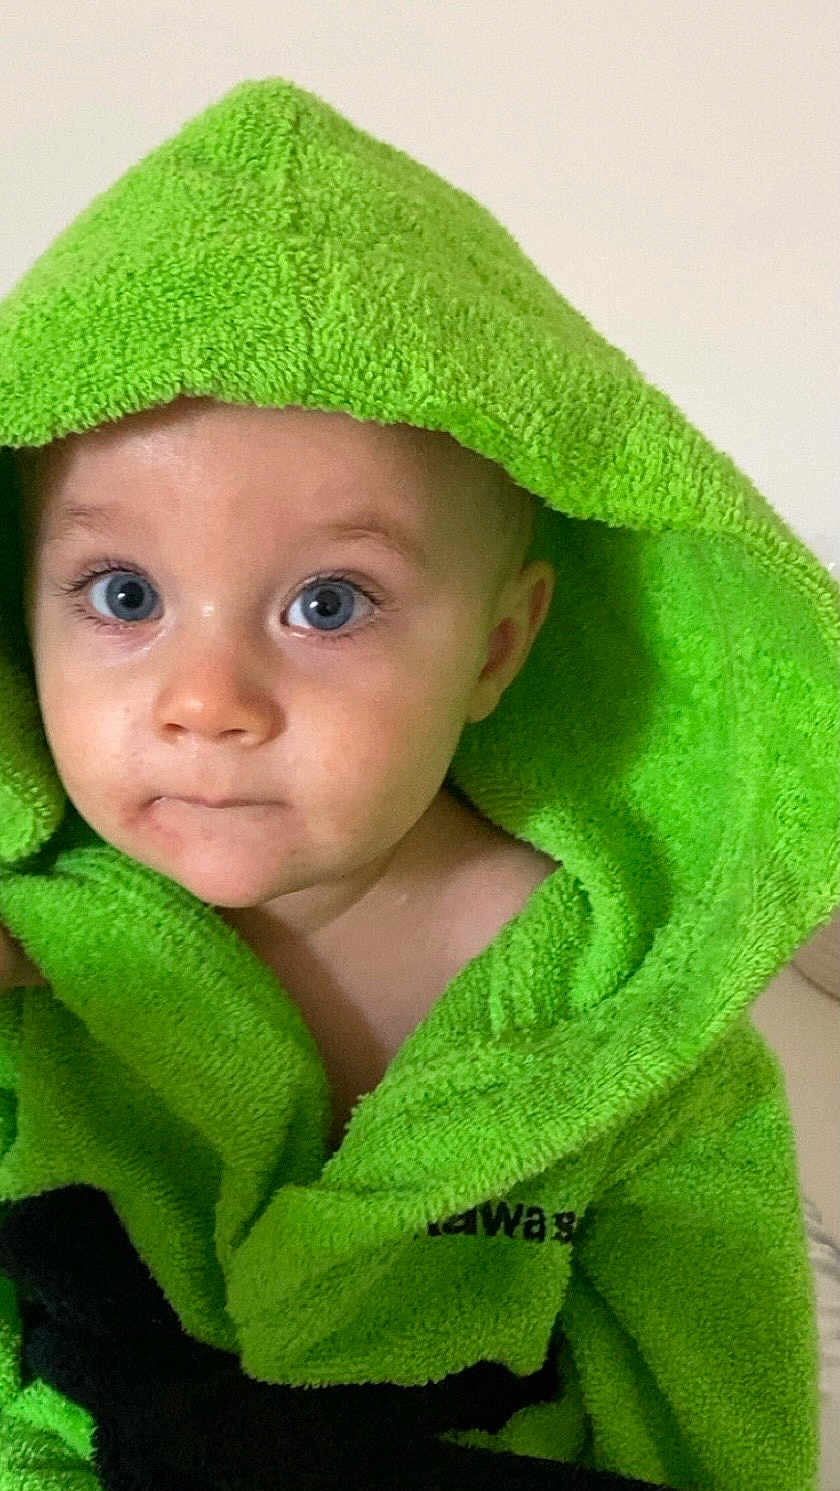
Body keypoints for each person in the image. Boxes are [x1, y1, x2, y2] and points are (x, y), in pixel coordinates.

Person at [0, 76, 835, 1491]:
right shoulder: (39, 953)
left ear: (497, 648)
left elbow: (710, 1379)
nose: (206, 702)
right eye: (123, 593)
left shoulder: (618, 1008)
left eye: (328, 605)